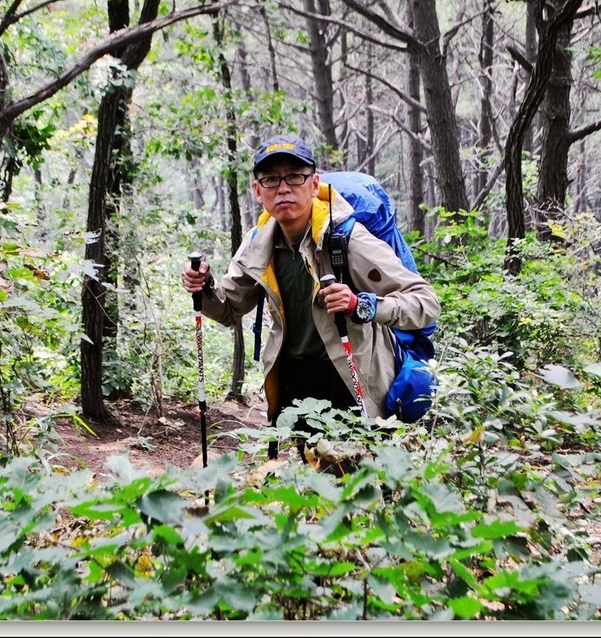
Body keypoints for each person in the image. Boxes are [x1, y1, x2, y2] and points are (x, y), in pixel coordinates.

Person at [181, 134, 439, 463]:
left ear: (314, 183)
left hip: (351, 376)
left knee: (361, 487)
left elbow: (425, 302)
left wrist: (363, 305)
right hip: (295, 384)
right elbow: (230, 309)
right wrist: (204, 287)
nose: (283, 188)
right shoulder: (259, 244)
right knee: (312, 486)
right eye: (271, 179)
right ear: (258, 191)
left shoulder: (347, 239)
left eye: (294, 176)